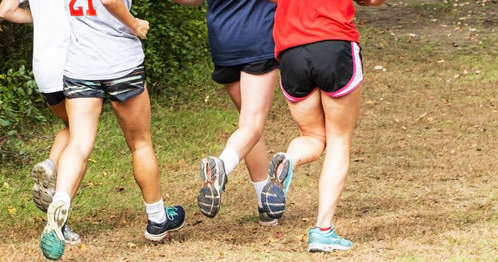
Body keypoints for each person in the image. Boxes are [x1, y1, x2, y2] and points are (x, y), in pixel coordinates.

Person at [37, 0, 185, 259]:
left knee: (79, 144)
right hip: (120, 61)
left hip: (80, 64)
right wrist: (135, 23)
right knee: (140, 142)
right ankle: (158, 219)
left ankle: (61, 200)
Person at [263, 0, 386, 253]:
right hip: (334, 43)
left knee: (312, 135)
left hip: (291, 51)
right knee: (339, 140)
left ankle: (288, 158)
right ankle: (322, 230)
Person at [171, 0, 280, 225]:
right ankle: (222, 165)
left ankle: (265, 203)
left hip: (224, 40)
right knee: (252, 123)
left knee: (247, 123)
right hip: (258, 36)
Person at [0, 0, 81, 245]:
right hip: (76, 63)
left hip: (45, 69)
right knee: (80, 142)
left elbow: (5, 11)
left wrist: (41, 17)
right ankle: (59, 222)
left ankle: (51, 165)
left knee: (73, 128)